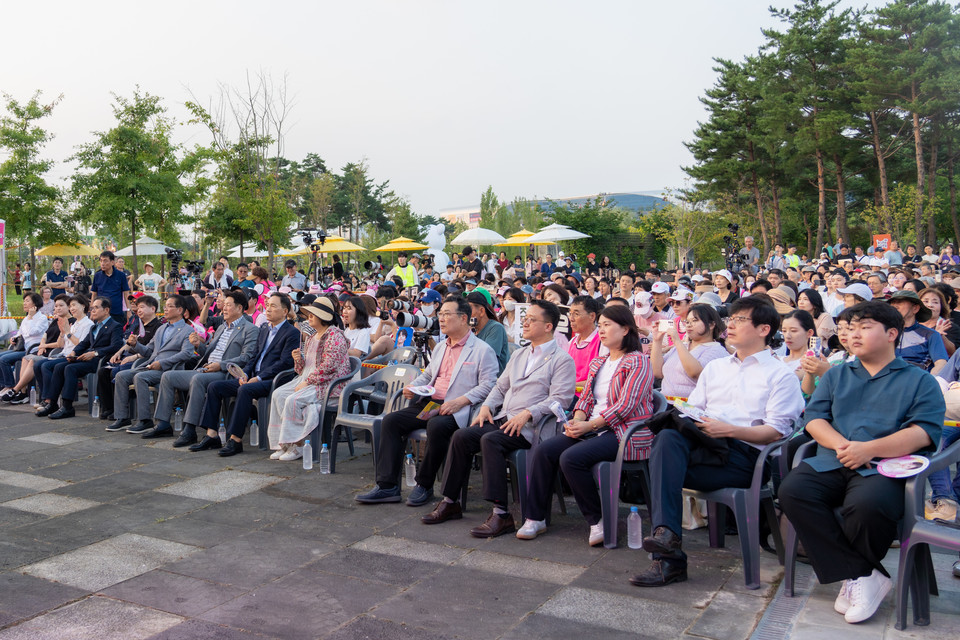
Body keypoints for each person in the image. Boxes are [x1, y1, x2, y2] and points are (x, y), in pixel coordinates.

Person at [779, 302, 944, 624]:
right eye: (850, 328)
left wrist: (869, 450)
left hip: (886, 466)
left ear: (892, 333)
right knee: (793, 491)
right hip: (833, 458)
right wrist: (843, 446)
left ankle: (857, 577)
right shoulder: (837, 374)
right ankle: (863, 575)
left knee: (866, 505)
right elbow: (814, 418)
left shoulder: (919, 380)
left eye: (864, 327)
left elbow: (923, 432)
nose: (853, 334)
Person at [631, 296, 804, 587]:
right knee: (667, 438)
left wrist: (729, 430)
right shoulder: (718, 368)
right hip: (705, 446)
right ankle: (667, 541)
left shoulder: (780, 375)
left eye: (740, 320)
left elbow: (776, 431)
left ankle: (668, 557)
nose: (731, 325)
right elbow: (695, 409)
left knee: (662, 465)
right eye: (731, 319)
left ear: (764, 329)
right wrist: (691, 418)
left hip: (744, 458)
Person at [421, 299, 577, 536]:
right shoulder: (521, 354)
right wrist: (487, 406)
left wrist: (528, 413)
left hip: (532, 426)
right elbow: (499, 387)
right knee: (463, 436)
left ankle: (501, 513)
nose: (524, 323)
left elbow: (561, 400)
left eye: (531, 319)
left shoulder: (562, 359)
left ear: (548, 327)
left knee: (491, 441)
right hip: (505, 418)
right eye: (525, 319)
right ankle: (450, 501)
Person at [516, 304, 655, 545]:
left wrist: (589, 426)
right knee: (544, 450)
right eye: (600, 325)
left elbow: (625, 406)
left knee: (571, 458)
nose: (601, 331)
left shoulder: (638, 361)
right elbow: (587, 399)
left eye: (607, 325)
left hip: (623, 432)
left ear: (625, 330)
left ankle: (597, 520)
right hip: (594, 427)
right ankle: (535, 517)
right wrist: (577, 420)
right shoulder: (599, 362)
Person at [355, 296, 498, 506]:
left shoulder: (482, 350)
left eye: (447, 314)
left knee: (437, 425)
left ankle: (424, 484)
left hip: (457, 408)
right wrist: (413, 386)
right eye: (440, 314)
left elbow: (488, 385)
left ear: (464, 318)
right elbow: (428, 375)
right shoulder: (441, 347)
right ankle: (387, 486)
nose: (441, 319)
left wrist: (460, 401)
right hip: (431, 403)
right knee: (391, 421)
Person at [190, 293, 299, 454]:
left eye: (273, 306)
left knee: (245, 390)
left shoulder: (291, 333)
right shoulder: (264, 329)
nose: (268, 309)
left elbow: (285, 363)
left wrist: (259, 377)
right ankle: (212, 435)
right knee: (214, 387)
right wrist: (244, 374)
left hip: (273, 380)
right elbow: (254, 356)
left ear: (284, 311)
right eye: (267, 305)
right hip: (253, 377)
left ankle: (235, 439)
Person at [150, 290, 259, 444]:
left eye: (228, 305)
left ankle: (189, 429)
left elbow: (246, 358)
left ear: (240, 308)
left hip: (225, 372)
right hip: (206, 368)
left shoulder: (250, 329)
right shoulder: (222, 327)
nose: (224, 309)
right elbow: (207, 353)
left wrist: (220, 365)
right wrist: (198, 345)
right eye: (224, 305)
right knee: (167, 376)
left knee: (198, 379)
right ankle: (163, 424)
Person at [267, 298, 352, 461]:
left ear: (323, 317)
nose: (309, 317)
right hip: (308, 379)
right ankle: (284, 444)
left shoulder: (335, 336)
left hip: (328, 384)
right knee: (278, 394)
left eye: (313, 314)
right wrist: (298, 359)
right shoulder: (312, 337)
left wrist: (308, 381)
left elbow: (329, 367)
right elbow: (302, 369)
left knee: (293, 399)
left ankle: (298, 445)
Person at [105, 295, 198, 434]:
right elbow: (148, 350)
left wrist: (162, 363)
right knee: (121, 375)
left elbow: (186, 354)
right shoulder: (162, 329)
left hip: (169, 369)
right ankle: (122, 417)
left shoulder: (188, 330)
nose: (165, 309)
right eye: (165, 306)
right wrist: (135, 344)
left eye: (169, 306)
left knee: (140, 378)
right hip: (150, 365)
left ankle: (145, 420)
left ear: (179, 310)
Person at [36, 298, 124, 419]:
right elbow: (84, 343)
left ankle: (67, 406)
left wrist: (95, 353)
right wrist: (73, 352)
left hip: (100, 360)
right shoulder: (95, 327)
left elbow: (116, 346)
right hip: (87, 357)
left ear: (106, 310)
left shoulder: (115, 326)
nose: (92, 310)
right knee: (59, 366)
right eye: (92, 308)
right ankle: (52, 403)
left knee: (70, 369)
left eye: (96, 308)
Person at [3, 294, 72, 405]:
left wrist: (43, 346)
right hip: (39, 348)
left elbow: (59, 343)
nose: (57, 309)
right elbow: (45, 335)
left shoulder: (48, 319)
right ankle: (22, 392)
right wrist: (42, 344)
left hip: (51, 350)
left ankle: (14, 389)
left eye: (61, 306)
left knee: (31, 361)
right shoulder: (56, 320)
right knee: (26, 358)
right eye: (56, 306)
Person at [650, 303, 727, 399]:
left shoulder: (716, 350)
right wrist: (657, 341)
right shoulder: (682, 346)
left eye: (695, 320)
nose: (689, 325)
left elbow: (694, 372)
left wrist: (677, 341)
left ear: (711, 325)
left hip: (689, 408)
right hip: (666, 404)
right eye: (687, 321)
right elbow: (657, 372)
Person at [887, 290, 948, 374]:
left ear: (915, 308)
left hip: (917, 379)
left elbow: (941, 363)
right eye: (893, 303)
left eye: (900, 302)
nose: (895, 306)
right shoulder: (884, 332)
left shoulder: (930, 335)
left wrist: (928, 380)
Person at [0, 293, 49, 396]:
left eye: (27, 301)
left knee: (3, 360)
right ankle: (3, 384)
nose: (24, 303)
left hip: (32, 350)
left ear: (35, 304)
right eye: (24, 301)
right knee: (0, 356)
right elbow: (20, 333)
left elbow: (33, 332)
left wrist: (30, 318)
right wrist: (14, 338)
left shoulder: (42, 318)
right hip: (22, 348)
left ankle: (10, 385)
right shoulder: (26, 318)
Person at [567, 295, 607, 385]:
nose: (571, 319)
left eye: (576, 314)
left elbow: (600, 381)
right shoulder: (572, 343)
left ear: (592, 316)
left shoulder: (602, 343)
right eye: (570, 314)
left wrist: (567, 387)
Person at [466, 291, 509, 374]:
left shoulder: (496, 328)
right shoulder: (471, 330)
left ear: (482, 311)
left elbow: (486, 360)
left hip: (493, 381)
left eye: (468, 309)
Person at [90, 251, 130, 325]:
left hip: (116, 312)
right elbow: (94, 295)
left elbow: (126, 294)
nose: (102, 263)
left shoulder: (121, 275)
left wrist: (128, 310)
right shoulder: (97, 276)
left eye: (105, 261)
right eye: (101, 261)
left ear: (112, 262)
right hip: (100, 313)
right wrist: (92, 311)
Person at [919, 287, 955, 357]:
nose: (930, 305)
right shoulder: (910, 325)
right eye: (926, 301)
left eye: (935, 302)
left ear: (941, 307)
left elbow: (953, 353)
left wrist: (939, 336)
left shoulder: (949, 326)